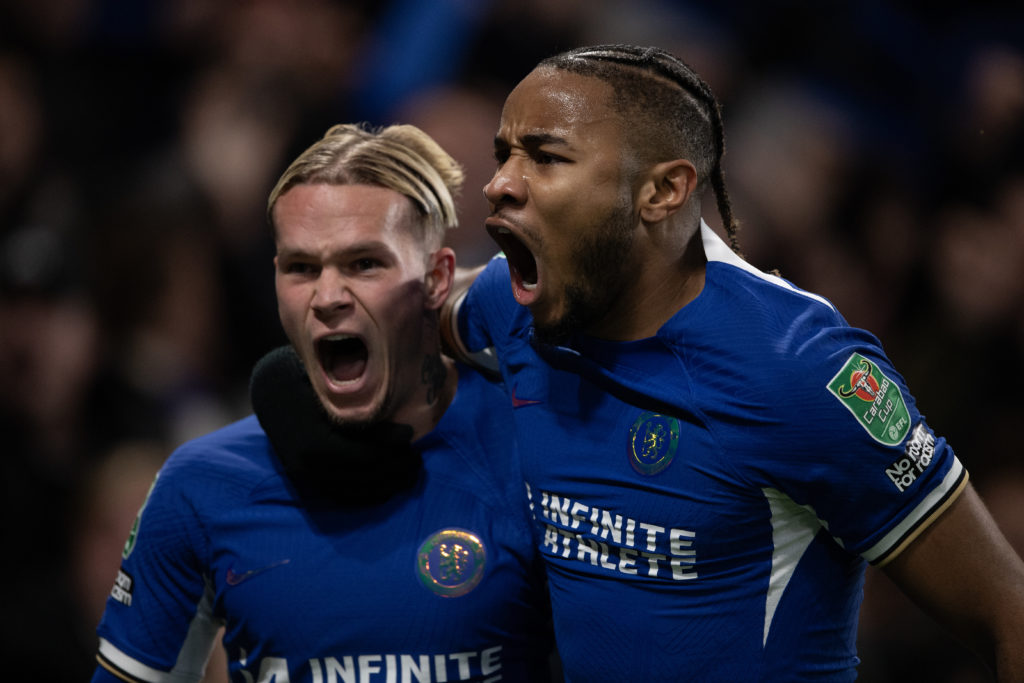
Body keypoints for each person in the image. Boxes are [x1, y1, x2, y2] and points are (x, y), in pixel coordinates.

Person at [442, 44, 1024, 681]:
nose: (499, 183)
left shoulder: (798, 369)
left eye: (547, 157)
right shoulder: (519, 300)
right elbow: (423, 306)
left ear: (663, 190)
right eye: (505, 155)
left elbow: (1007, 612)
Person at [91, 123, 554, 683]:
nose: (328, 297)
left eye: (364, 264)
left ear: (437, 279)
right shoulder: (201, 487)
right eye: (302, 268)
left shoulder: (535, 457)